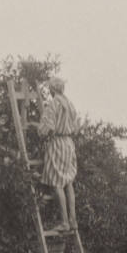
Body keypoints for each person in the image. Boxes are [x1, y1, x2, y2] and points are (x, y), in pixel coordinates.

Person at [37, 76, 79, 232]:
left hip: (58, 144)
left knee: (56, 183)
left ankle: (64, 222)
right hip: (69, 144)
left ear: (52, 89)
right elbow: (76, 127)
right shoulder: (70, 104)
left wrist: (39, 131)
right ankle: (73, 220)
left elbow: (47, 128)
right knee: (68, 182)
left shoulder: (54, 104)